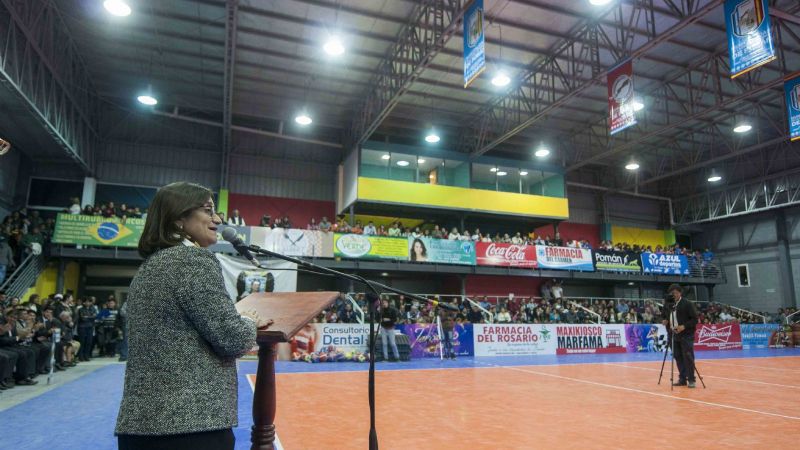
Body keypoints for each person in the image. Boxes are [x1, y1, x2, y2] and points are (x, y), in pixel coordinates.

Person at [115, 182, 271, 450]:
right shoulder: (192, 261)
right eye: (208, 210)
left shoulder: (150, 266)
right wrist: (247, 321)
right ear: (178, 219)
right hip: (191, 427)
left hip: (142, 426)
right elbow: (232, 339)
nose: (218, 219)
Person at [664, 284, 698, 388]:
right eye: (671, 294)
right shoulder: (668, 304)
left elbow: (695, 319)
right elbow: (663, 315)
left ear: (680, 293)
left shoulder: (687, 304)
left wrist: (684, 326)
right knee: (678, 356)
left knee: (688, 357)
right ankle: (682, 378)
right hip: (673, 334)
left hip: (686, 334)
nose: (673, 295)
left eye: (674, 293)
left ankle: (691, 379)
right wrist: (664, 320)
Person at [378, 297, 401, 362]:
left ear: (388, 303)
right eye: (383, 303)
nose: (384, 304)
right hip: (383, 328)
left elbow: (395, 320)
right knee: (384, 343)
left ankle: (397, 357)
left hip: (391, 328)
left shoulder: (392, 310)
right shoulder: (381, 310)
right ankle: (386, 358)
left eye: (385, 303)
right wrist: (378, 312)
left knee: (392, 343)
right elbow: (378, 319)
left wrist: (388, 320)